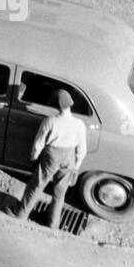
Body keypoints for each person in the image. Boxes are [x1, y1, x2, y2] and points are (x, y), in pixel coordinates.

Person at [14, 89, 87, 227]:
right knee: (60, 193)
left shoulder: (50, 121)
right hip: (69, 158)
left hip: (51, 156)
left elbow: (38, 144)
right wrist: (76, 167)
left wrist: (34, 158)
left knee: (36, 186)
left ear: (56, 106)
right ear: (71, 104)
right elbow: (82, 150)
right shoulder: (79, 124)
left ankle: (20, 215)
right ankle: (53, 224)